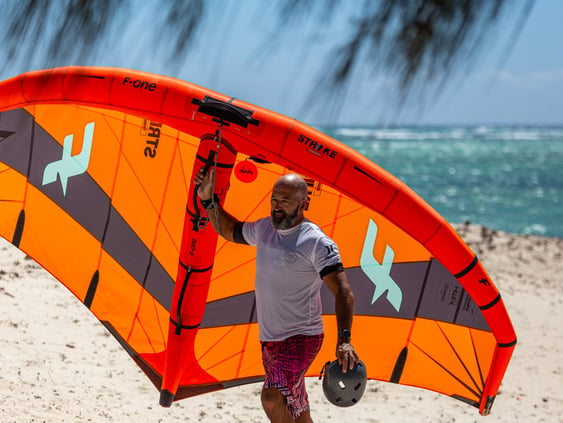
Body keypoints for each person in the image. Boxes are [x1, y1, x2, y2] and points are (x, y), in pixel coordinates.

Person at [195, 168, 359, 423]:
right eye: (274, 199)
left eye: (285, 200)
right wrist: (208, 200)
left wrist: (345, 340)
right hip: (270, 340)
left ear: (304, 203)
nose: (277, 206)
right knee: (296, 406)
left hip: (302, 337)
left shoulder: (316, 242)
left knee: (272, 397)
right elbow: (230, 230)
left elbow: (344, 292)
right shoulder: (264, 229)